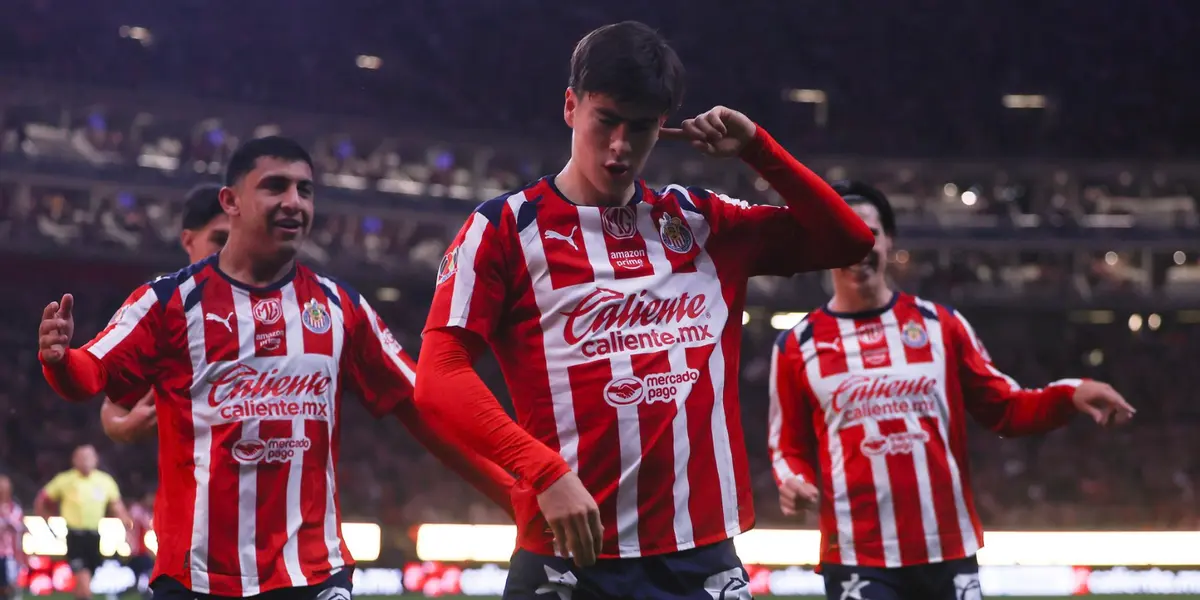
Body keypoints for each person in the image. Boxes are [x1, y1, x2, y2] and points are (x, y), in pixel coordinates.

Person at [413, 20, 874, 600]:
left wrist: (759, 147)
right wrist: (543, 470)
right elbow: (438, 376)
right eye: (606, 121)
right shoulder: (503, 230)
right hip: (565, 558)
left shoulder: (705, 224)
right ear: (570, 106)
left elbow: (850, 240)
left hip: (700, 556)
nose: (620, 148)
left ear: (665, 126)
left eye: (642, 128)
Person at [37, 136, 516, 599]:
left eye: (304, 190)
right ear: (232, 201)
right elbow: (90, 375)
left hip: (312, 575)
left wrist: (516, 490)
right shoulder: (168, 303)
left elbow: (425, 403)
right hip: (197, 577)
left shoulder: (340, 307)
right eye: (275, 187)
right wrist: (59, 360)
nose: (295, 202)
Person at [766, 180, 1136, 600]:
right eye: (842, 232)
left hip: (947, 551)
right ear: (824, 244)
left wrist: (1071, 393)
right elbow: (786, 447)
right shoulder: (797, 344)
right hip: (856, 557)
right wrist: (793, 479)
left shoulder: (940, 325)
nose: (858, 245)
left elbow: (1006, 409)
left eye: (870, 233)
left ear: (890, 241)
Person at [100, 184, 231, 444]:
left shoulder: (276, 309)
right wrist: (124, 428)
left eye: (238, 241)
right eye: (220, 239)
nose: (230, 251)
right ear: (188, 240)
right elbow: (113, 407)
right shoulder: (165, 313)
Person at [33, 446, 131, 600]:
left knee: (83, 584)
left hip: (94, 536)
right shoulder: (65, 480)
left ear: (96, 459)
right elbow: (42, 499)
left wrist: (127, 528)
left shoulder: (105, 481)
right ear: (74, 460)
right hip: (75, 535)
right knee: (84, 580)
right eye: (81, 457)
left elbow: (117, 507)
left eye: (89, 457)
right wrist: (47, 519)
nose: (85, 461)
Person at [126, 491, 155, 600]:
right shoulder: (137, 510)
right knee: (148, 569)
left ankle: (142, 590)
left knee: (144, 572)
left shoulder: (143, 511)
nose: (152, 501)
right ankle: (143, 591)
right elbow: (138, 525)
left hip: (141, 550)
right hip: (137, 550)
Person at [0, 475, 24, 600]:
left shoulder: (14, 508)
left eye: (4, 487)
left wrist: (5, 517)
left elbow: (17, 528)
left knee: (11, 585)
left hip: (11, 555)